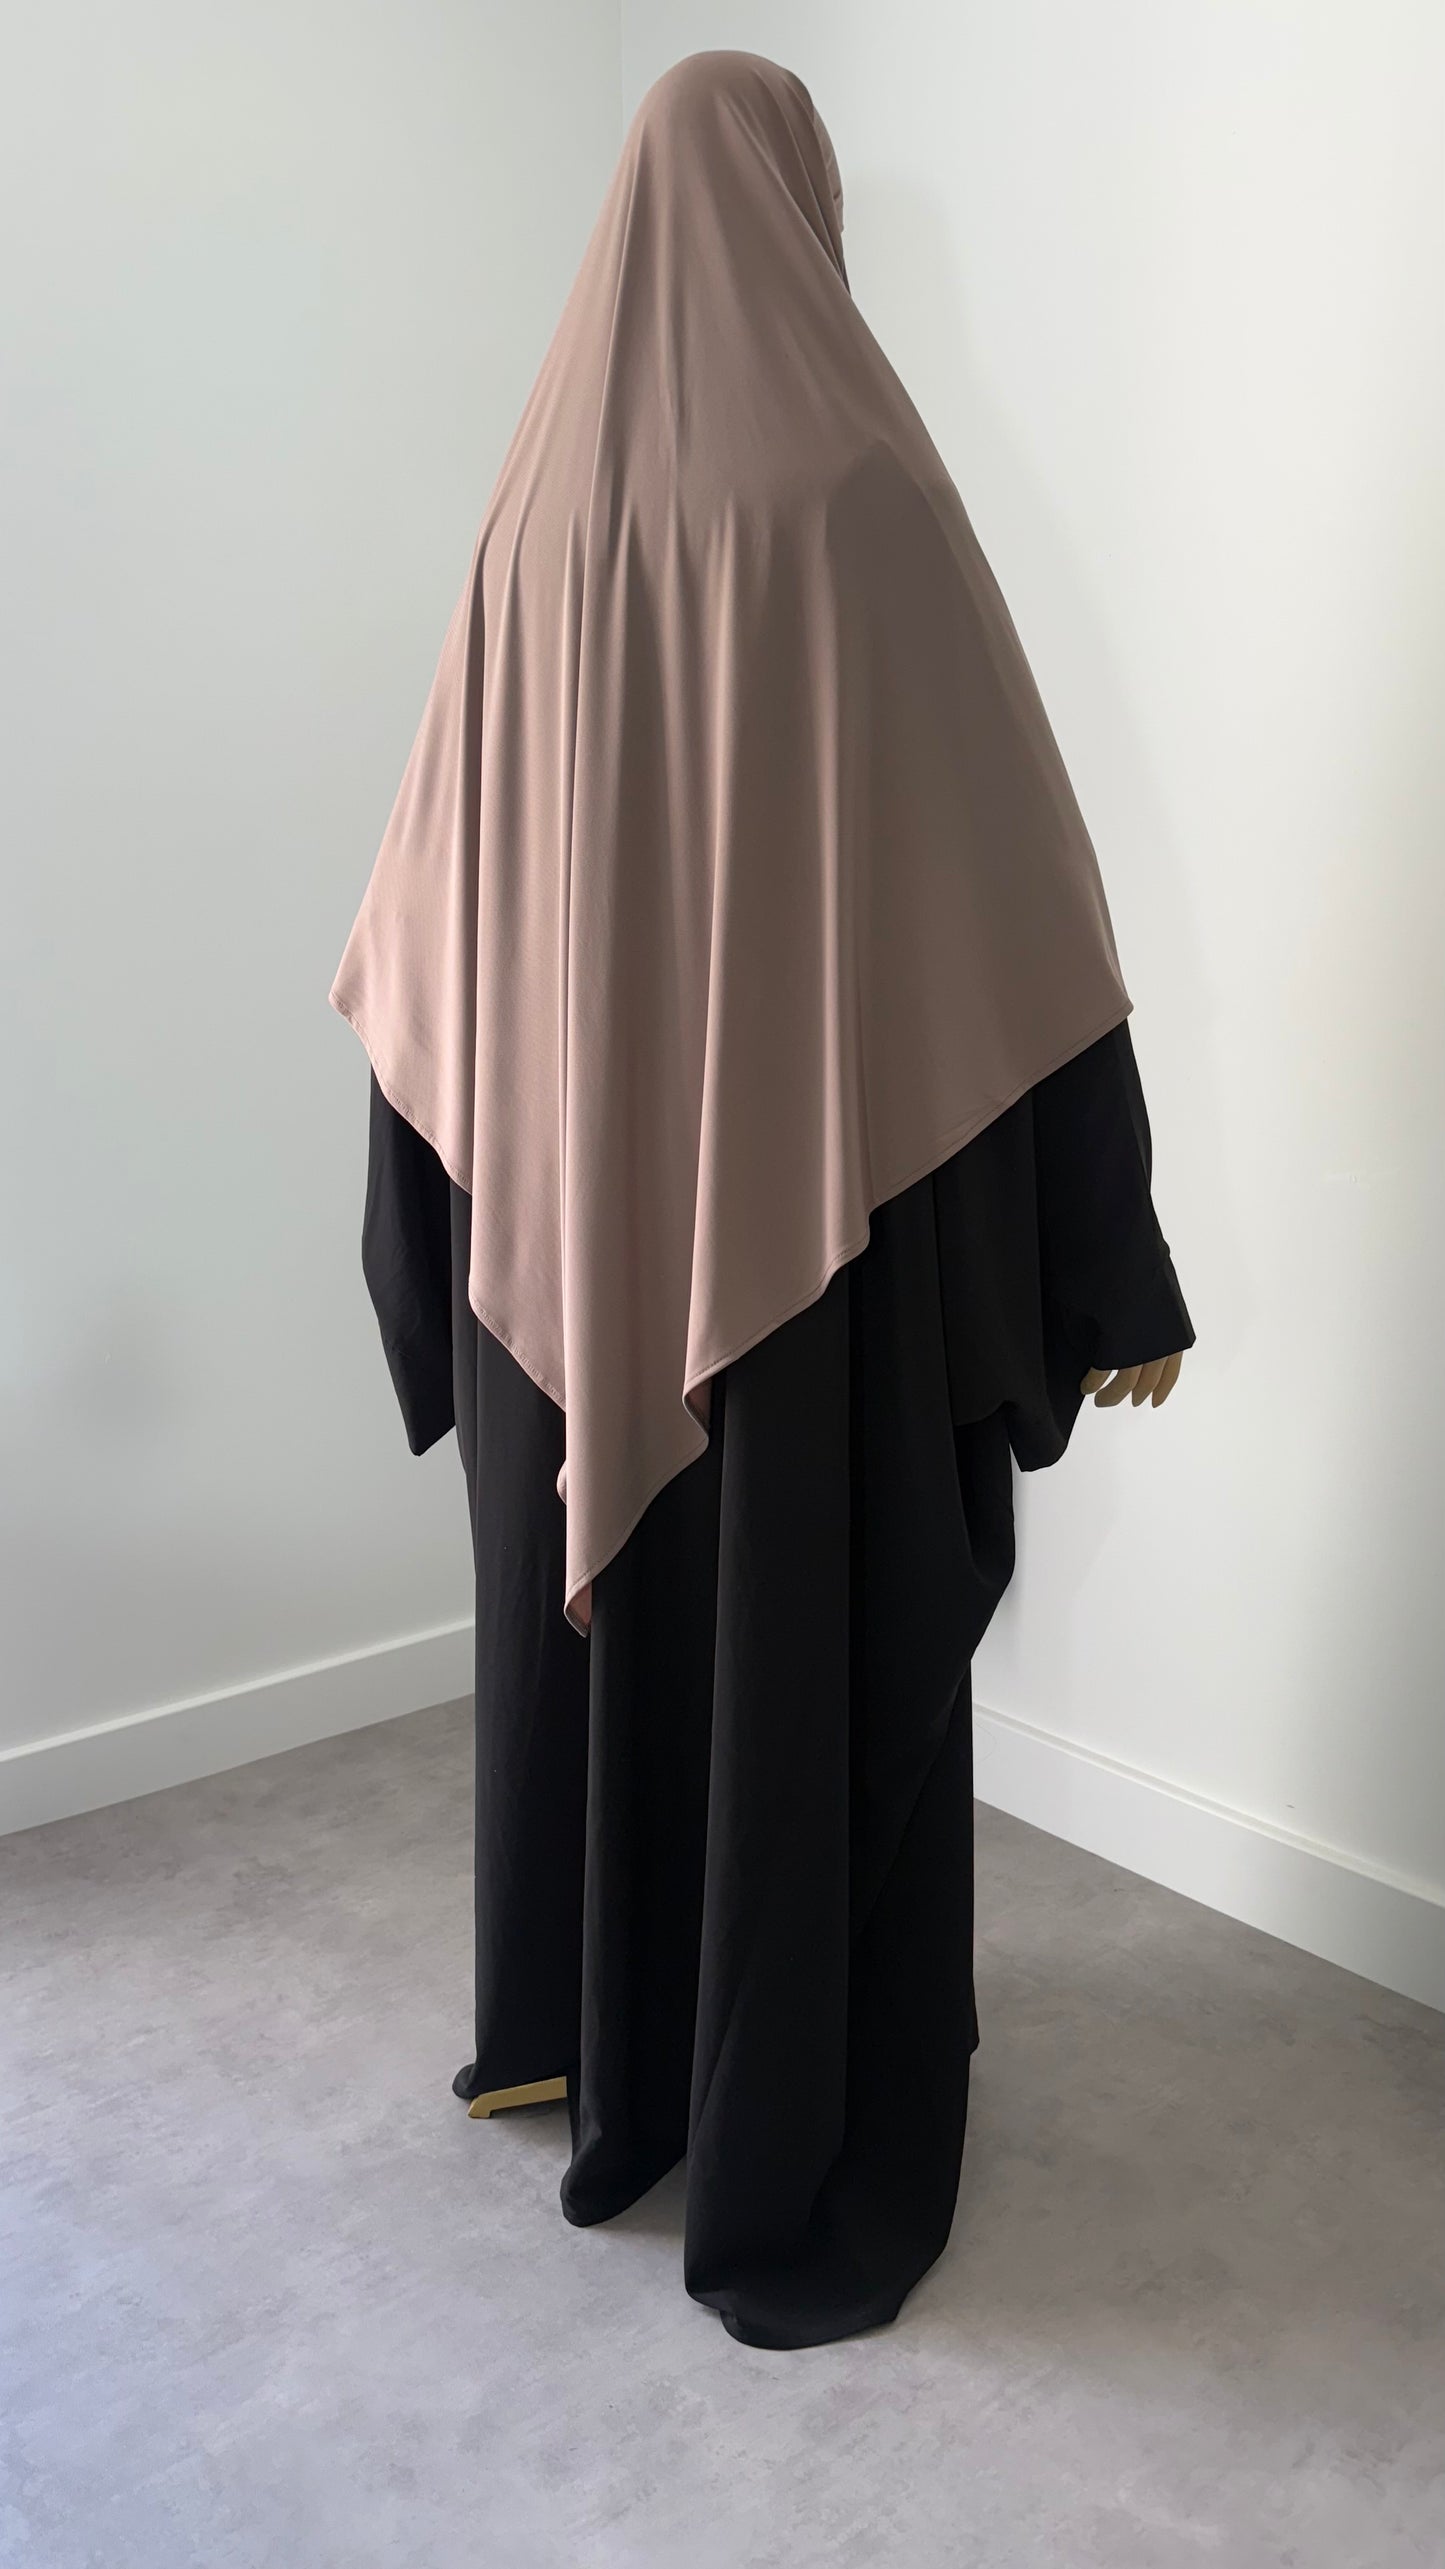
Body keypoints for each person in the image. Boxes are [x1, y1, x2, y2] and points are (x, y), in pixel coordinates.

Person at [332, 50, 1195, 2350]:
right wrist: (1102, 1253)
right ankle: (778, 2108)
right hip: (806, 1277)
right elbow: (1013, 918)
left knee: (583, 1643)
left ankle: (581, 2049)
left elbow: (421, 935)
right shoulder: (860, 496)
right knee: (798, 1664)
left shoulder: (529, 526)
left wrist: (432, 1241)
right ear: (798, 209)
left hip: (556, 1263)